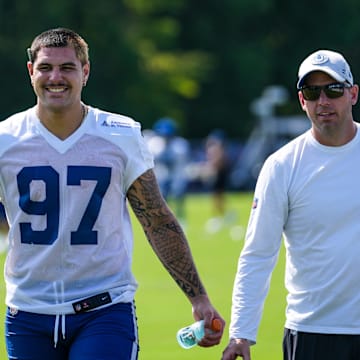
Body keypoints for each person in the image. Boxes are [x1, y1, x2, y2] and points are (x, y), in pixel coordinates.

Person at [0, 27, 225, 360]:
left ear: (85, 72)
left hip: (103, 309)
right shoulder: (6, 140)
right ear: (31, 71)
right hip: (29, 313)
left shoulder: (120, 135)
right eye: (46, 67)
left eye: (67, 68)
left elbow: (157, 220)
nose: (55, 77)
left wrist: (199, 299)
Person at [222, 49, 360, 360]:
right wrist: (241, 333)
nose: (322, 101)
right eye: (312, 92)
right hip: (313, 332)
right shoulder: (282, 166)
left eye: (333, 90)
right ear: (302, 101)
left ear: (352, 94)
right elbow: (258, 253)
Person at [146, 117, 190, 223]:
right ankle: (165, 218)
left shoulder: (180, 145)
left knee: (178, 196)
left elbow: (177, 161)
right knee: (162, 199)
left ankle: (180, 217)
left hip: (176, 176)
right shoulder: (154, 144)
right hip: (161, 176)